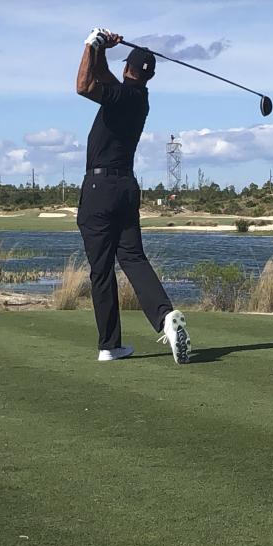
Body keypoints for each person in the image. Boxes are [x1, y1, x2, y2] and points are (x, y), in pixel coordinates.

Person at [75, 27, 191, 363]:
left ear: (129, 69)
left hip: (99, 190)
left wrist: (90, 44)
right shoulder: (139, 99)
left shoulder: (122, 95)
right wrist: (100, 49)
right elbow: (101, 76)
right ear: (149, 75)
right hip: (126, 189)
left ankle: (109, 345)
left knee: (101, 269)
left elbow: (84, 85)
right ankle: (165, 317)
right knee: (133, 257)